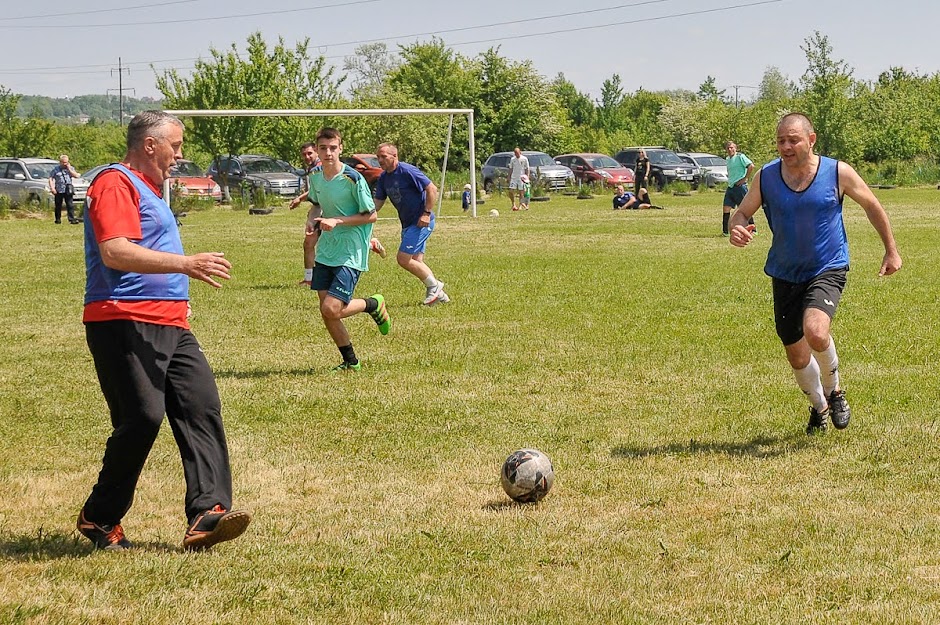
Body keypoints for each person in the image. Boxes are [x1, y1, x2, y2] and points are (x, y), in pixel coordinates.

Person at [78, 110, 251, 551]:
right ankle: (99, 517)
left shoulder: (153, 191)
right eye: (176, 145)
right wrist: (186, 265)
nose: (180, 154)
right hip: (122, 319)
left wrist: (178, 295)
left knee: (201, 406)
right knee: (142, 418)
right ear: (150, 144)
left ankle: (207, 515)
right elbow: (116, 252)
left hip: (172, 322)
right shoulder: (114, 183)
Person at [729, 112, 902, 435]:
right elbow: (741, 213)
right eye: (781, 140)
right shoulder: (766, 177)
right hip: (784, 272)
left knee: (817, 331)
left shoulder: (837, 172)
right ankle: (819, 407)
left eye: (793, 139)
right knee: (796, 355)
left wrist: (891, 250)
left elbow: (872, 206)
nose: (785, 146)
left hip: (828, 266)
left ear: (811, 139)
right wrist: (736, 228)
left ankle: (836, 392)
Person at [308, 127, 390, 372]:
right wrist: (312, 220)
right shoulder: (315, 176)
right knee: (328, 313)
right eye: (323, 148)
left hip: (351, 250)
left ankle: (372, 304)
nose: (328, 153)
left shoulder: (353, 178)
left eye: (333, 148)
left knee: (331, 308)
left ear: (340, 149)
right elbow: (315, 205)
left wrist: (337, 221)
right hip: (326, 250)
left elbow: (371, 215)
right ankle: (351, 361)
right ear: (318, 150)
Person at [290, 142, 385, 286]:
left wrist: (300, 198)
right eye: (304, 154)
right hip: (323, 214)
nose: (307, 156)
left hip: (333, 217)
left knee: (311, 243)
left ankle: (367, 244)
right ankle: (309, 278)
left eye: (310, 153)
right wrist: (310, 218)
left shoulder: (329, 169)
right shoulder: (315, 171)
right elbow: (318, 190)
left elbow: (331, 186)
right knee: (309, 243)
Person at [374, 142, 450, 306]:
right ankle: (440, 295)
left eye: (384, 157)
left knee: (403, 259)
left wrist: (426, 213)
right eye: (378, 157)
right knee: (417, 260)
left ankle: (435, 286)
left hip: (421, 221)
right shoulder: (383, 178)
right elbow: (377, 204)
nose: (380, 160)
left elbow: (432, 189)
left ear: (395, 156)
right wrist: (361, 214)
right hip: (407, 223)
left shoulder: (407, 171)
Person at [722, 140, 756, 236]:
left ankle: (753, 228)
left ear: (735, 148)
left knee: (745, 208)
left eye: (732, 147)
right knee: (726, 208)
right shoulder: (728, 159)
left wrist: (744, 178)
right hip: (731, 186)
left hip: (740, 187)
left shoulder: (740, 157)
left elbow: (751, 166)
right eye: (728, 148)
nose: (730, 149)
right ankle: (725, 232)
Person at [49, 154, 82, 224]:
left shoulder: (71, 168)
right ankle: (58, 219)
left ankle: (71, 219)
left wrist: (69, 169)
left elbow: (76, 175)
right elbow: (51, 178)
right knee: (58, 205)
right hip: (59, 189)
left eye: (66, 162)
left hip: (68, 190)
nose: (65, 164)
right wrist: (52, 188)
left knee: (70, 205)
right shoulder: (55, 169)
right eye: (63, 162)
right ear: (60, 162)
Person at [507, 147, 529, 212]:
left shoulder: (524, 159)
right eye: (515, 153)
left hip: (521, 177)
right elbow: (510, 168)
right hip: (514, 177)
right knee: (511, 191)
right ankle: (513, 204)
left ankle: (520, 206)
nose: (517, 155)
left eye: (517, 153)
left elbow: (527, 168)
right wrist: (509, 176)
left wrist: (527, 177)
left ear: (520, 152)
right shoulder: (512, 159)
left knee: (521, 192)